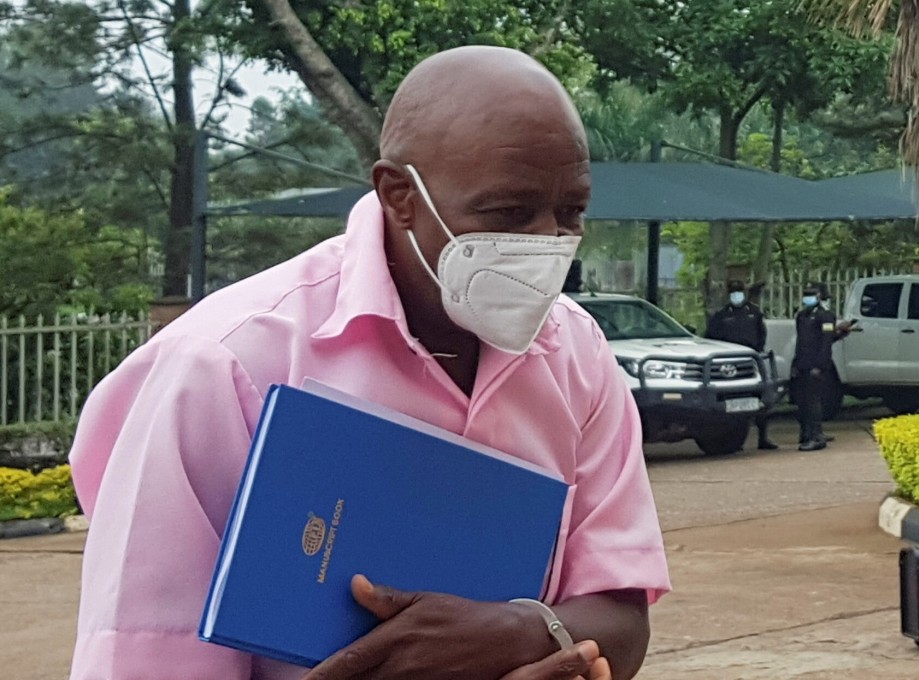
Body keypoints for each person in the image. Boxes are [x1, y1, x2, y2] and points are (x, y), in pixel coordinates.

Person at [67, 46, 670, 680]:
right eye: (508, 214)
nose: (547, 243)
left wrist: (515, 632)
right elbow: (144, 655)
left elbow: (622, 619)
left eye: (571, 212)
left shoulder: (576, 354)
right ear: (400, 196)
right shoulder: (225, 364)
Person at [705, 280, 777, 450]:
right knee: (732, 401)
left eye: (739, 291)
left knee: (760, 398)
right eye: (733, 291)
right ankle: (734, 439)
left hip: (751, 361)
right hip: (728, 364)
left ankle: (763, 437)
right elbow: (712, 338)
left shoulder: (753, 312)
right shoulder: (722, 315)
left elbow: (761, 334)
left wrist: (757, 351)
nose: (736, 294)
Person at [792, 282, 851, 451]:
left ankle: (817, 436)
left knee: (813, 401)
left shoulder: (825, 316)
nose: (807, 298)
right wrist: (796, 363)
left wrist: (819, 365)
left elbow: (826, 342)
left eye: (811, 295)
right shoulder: (802, 316)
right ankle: (805, 433)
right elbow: (801, 341)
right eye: (806, 295)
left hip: (816, 364)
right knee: (802, 401)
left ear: (818, 298)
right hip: (802, 362)